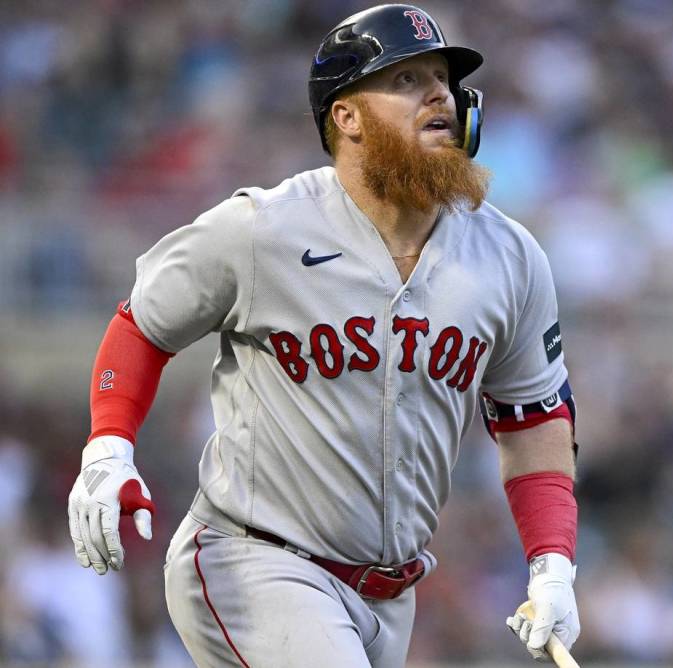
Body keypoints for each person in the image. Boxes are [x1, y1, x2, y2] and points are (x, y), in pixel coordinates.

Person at [65, 5, 581, 666]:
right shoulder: (263, 229)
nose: (437, 95)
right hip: (254, 560)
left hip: (391, 600)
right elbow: (142, 324)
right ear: (347, 117)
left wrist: (552, 565)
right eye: (405, 79)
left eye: (443, 79)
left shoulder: (509, 257)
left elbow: (533, 417)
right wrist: (108, 448)